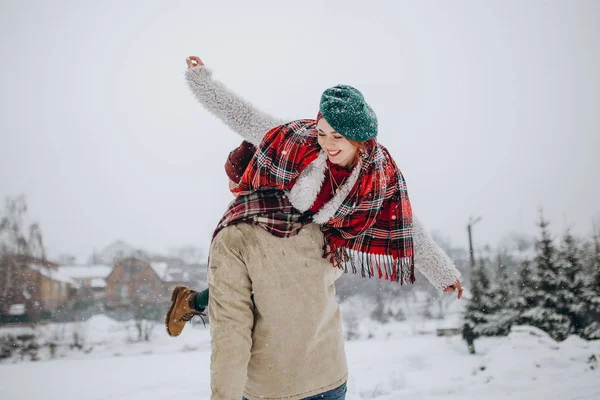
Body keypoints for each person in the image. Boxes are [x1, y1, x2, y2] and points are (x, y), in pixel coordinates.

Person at [172, 55, 463, 400]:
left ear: (361, 140)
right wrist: (201, 80)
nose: (327, 143)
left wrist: (442, 272)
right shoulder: (297, 142)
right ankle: (192, 302)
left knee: (259, 289)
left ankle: (192, 302)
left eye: (337, 136)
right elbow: (241, 115)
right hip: (273, 206)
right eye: (322, 132)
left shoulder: (376, 176)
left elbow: (405, 224)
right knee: (245, 284)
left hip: (318, 235)